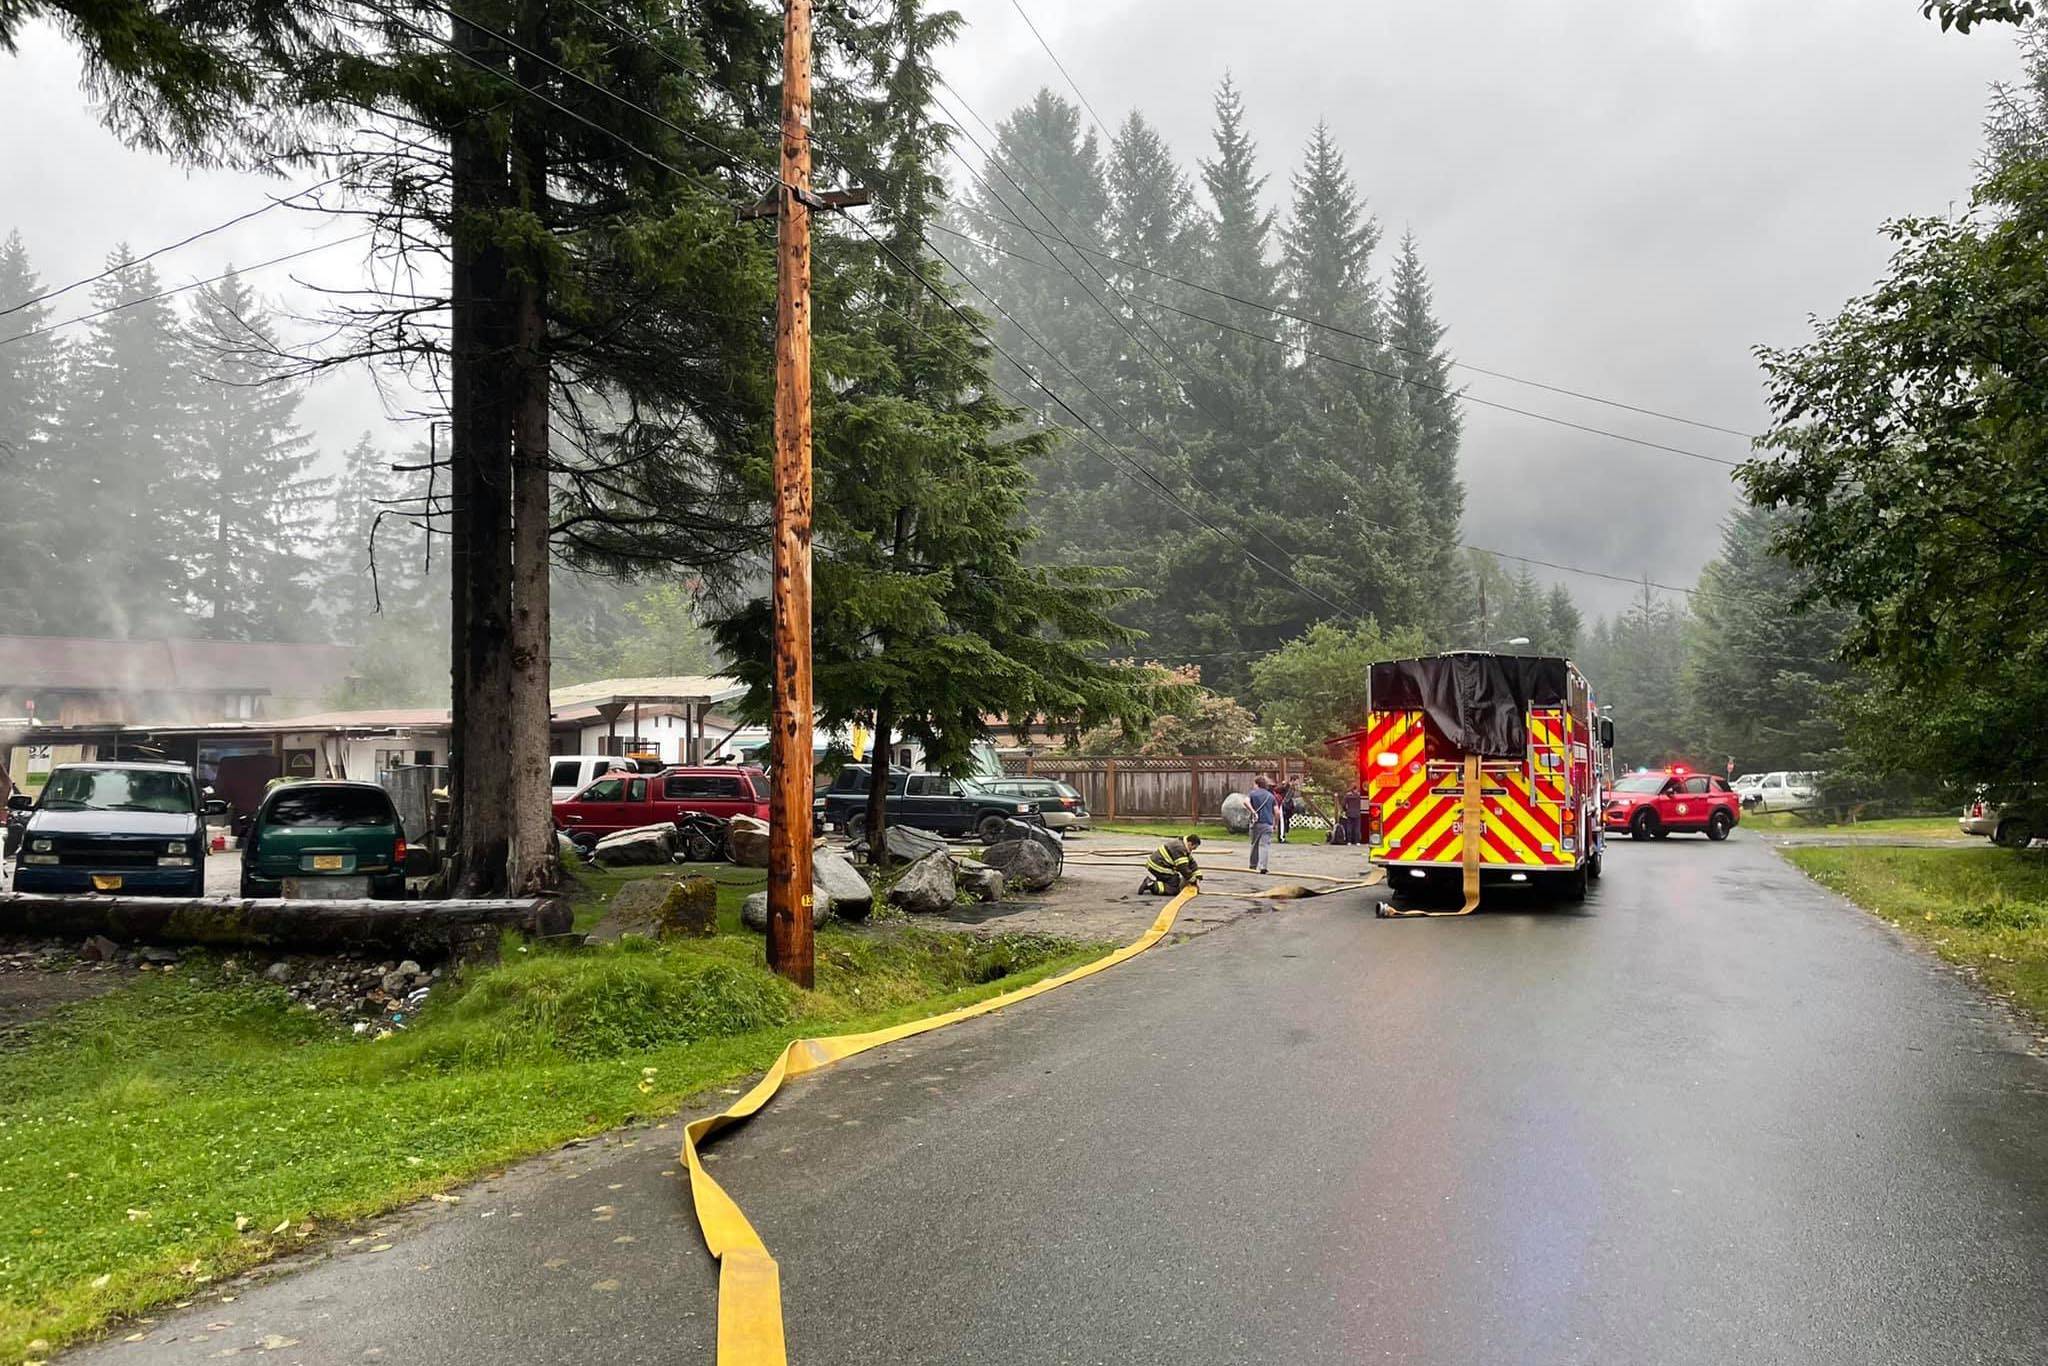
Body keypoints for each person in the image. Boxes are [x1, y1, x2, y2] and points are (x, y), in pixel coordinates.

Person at [1139, 833, 1203, 895]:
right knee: (1175, 888)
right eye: (1194, 848)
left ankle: (1156, 883)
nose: (1193, 850)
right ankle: (1151, 884)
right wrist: (1192, 880)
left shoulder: (1182, 844)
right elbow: (1183, 867)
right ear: (1190, 843)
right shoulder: (1180, 848)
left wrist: (1198, 874)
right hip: (1158, 866)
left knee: (1174, 880)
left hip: (1159, 864)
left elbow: (1190, 861)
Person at [1247, 775, 1277, 873]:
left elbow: (1245, 802)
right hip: (1268, 824)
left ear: (1257, 784)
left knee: (1254, 844)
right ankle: (1263, 867)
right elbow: (1277, 812)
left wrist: (1253, 811)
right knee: (1265, 845)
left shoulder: (1253, 794)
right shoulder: (1271, 796)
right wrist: (1275, 824)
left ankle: (1253, 866)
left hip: (1256, 823)